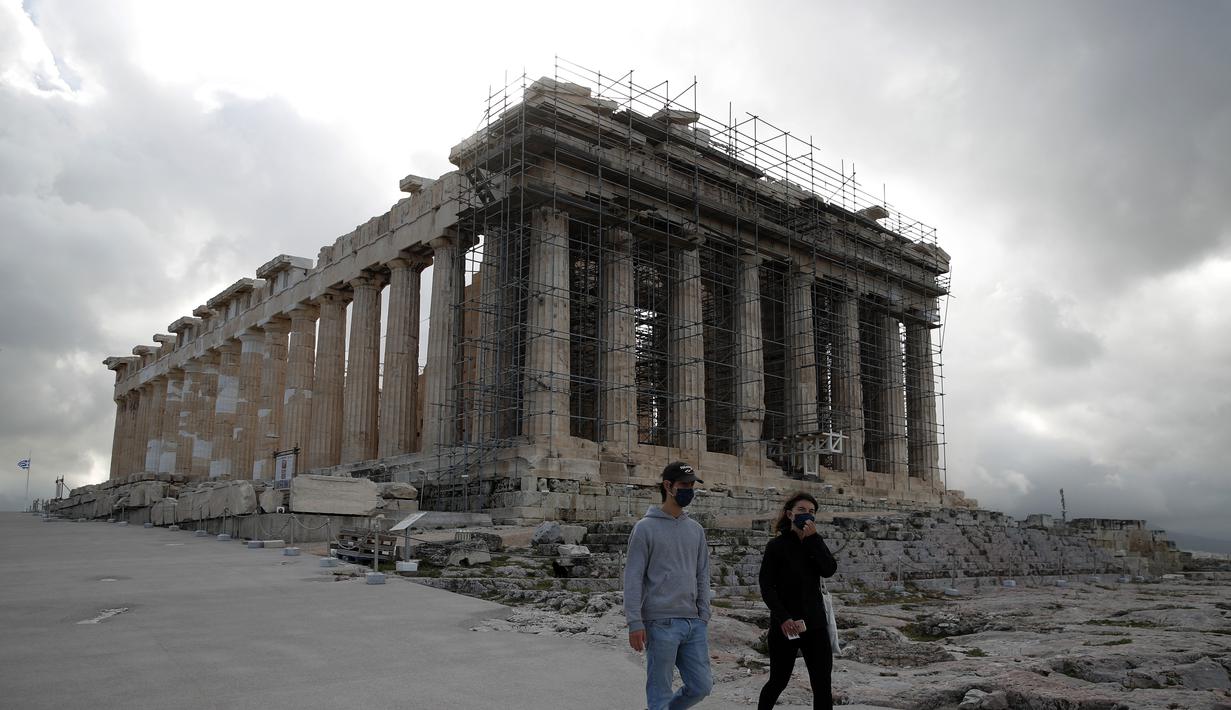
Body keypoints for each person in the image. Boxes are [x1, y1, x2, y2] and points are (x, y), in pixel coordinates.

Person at [623, 461, 714, 710]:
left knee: (701, 686)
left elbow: (702, 573)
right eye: (684, 485)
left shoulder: (695, 530)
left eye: (692, 485)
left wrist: (703, 613)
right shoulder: (645, 528)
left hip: (693, 623)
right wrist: (634, 622)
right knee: (659, 691)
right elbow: (633, 577)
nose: (689, 490)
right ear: (668, 485)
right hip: (660, 622)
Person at [757, 492, 838, 710]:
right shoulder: (777, 546)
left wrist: (814, 539)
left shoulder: (815, 543)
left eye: (811, 512)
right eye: (801, 510)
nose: (806, 515)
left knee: (822, 684)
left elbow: (829, 569)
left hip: (815, 625)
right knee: (778, 681)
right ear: (790, 514)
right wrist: (783, 618)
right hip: (786, 625)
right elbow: (766, 587)